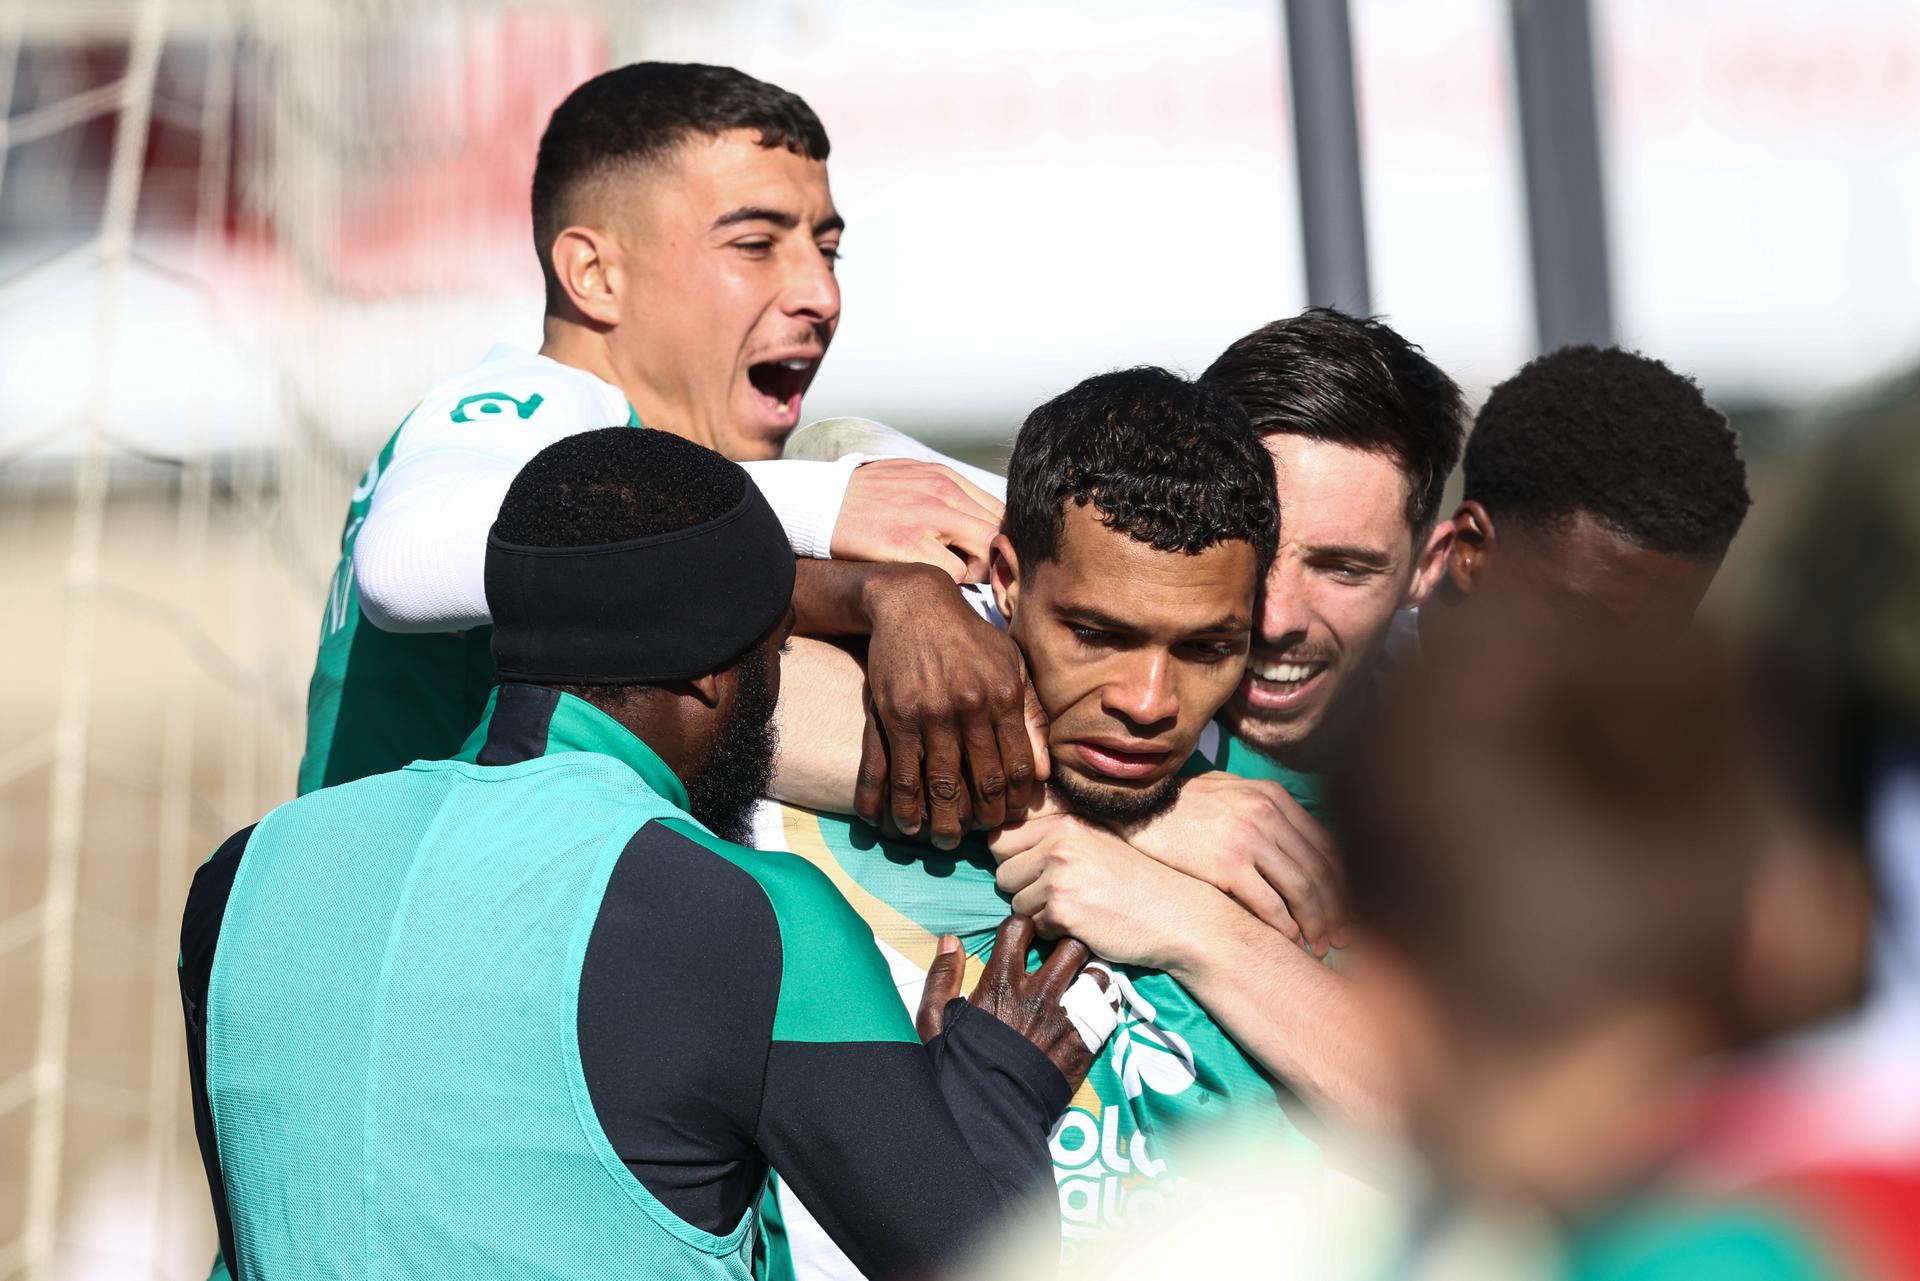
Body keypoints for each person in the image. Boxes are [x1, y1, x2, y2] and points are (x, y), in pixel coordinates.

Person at [182, 429, 1101, 1280]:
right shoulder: (758, 917)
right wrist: (998, 1080)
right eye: (776, 654)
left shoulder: (242, 877)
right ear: (716, 672)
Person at [752, 367, 1364, 1260]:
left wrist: (1188, 922)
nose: (1150, 700)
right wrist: (880, 592)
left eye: (1206, 647)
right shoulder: (852, 726)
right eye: (1099, 634)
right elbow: (648, 642)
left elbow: (1480, 1127)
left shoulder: (1278, 823)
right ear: (1006, 580)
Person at [299, 61, 1020, 798]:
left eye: (827, 251)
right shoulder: (533, 398)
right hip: (409, 904)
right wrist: (821, 504)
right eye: (754, 245)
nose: (821, 293)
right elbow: (399, 565)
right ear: (595, 274)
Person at [1194, 308, 1468, 808]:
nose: (1277, 621)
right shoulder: (1039, 725)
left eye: (1343, 569)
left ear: (1427, 567)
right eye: (1253, 553)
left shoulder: (1497, 779)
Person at [1419, 343, 1752, 660]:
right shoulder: (1368, 705)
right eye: (1586, 623)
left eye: (1658, 645)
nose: (1611, 680)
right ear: (1470, 548)